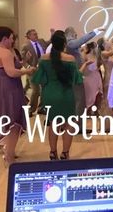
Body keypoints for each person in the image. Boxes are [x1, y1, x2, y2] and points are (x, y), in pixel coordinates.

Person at [32, 31, 83, 160]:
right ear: (64, 44)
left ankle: (53, 152)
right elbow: (76, 79)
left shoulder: (43, 59)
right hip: (66, 95)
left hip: (50, 94)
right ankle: (65, 153)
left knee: (53, 123)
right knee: (68, 124)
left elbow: (39, 79)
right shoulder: (70, 59)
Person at [0, 26, 35, 165]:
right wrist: (27, 71)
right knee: (13, 122)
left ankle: (9, 151)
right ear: (4, 39)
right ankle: (9, 157)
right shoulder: (5, 52)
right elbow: (11, 72)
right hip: (9, 89)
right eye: (11, 38)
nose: (12, 41)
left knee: (7, 119)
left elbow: (10, 68)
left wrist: (24, 63)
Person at [21, 29, 50, 117]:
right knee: (36, 90)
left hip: (42, 70)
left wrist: (52, 34)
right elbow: (23, 60)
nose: (36, 35)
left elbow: (49, 42)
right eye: (34, 34)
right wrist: (29, 67)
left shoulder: (41, 41)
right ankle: (30, 109)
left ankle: (41, 108)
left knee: (44, 90)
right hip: (32, 71)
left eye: (36, 34)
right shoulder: (26, 46)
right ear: (29, 36)